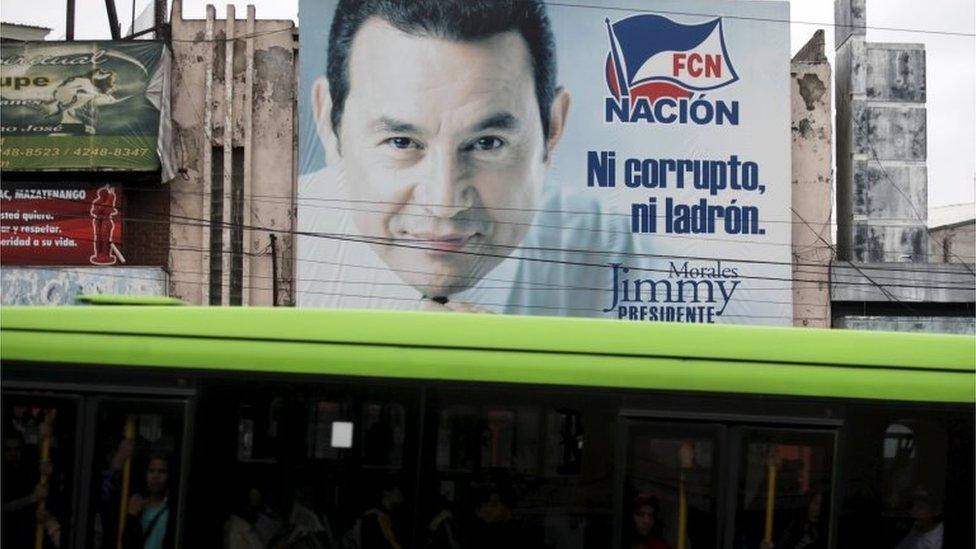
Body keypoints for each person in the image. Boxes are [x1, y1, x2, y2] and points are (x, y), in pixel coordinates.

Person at [301, 0, 631, 316]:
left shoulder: (617, 252)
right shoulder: (266, 252)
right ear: (330, 125)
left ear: (552, 130)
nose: (445, 203)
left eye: (487, 143)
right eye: (401, 142)